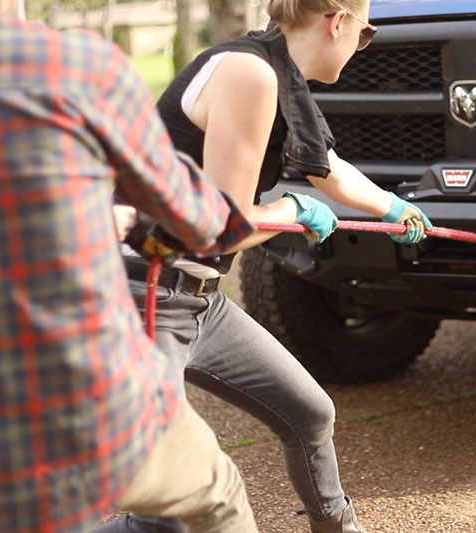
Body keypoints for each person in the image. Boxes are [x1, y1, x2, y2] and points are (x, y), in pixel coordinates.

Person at [97, 1, 434, 532]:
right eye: (365, 34)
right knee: (165, 517)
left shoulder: (276, 71)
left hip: (198, 302)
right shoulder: (248, 73)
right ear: (338, 22)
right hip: (143, 298)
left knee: (309, 414)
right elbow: (220, 230)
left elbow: (329, 168)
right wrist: (291, 210)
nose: (360, 46)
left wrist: (392, 207)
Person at [0, 0, 260, 530]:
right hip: (87, 420)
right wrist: (139, 227)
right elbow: (211, 227)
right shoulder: (75, 67)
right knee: (219, 495)